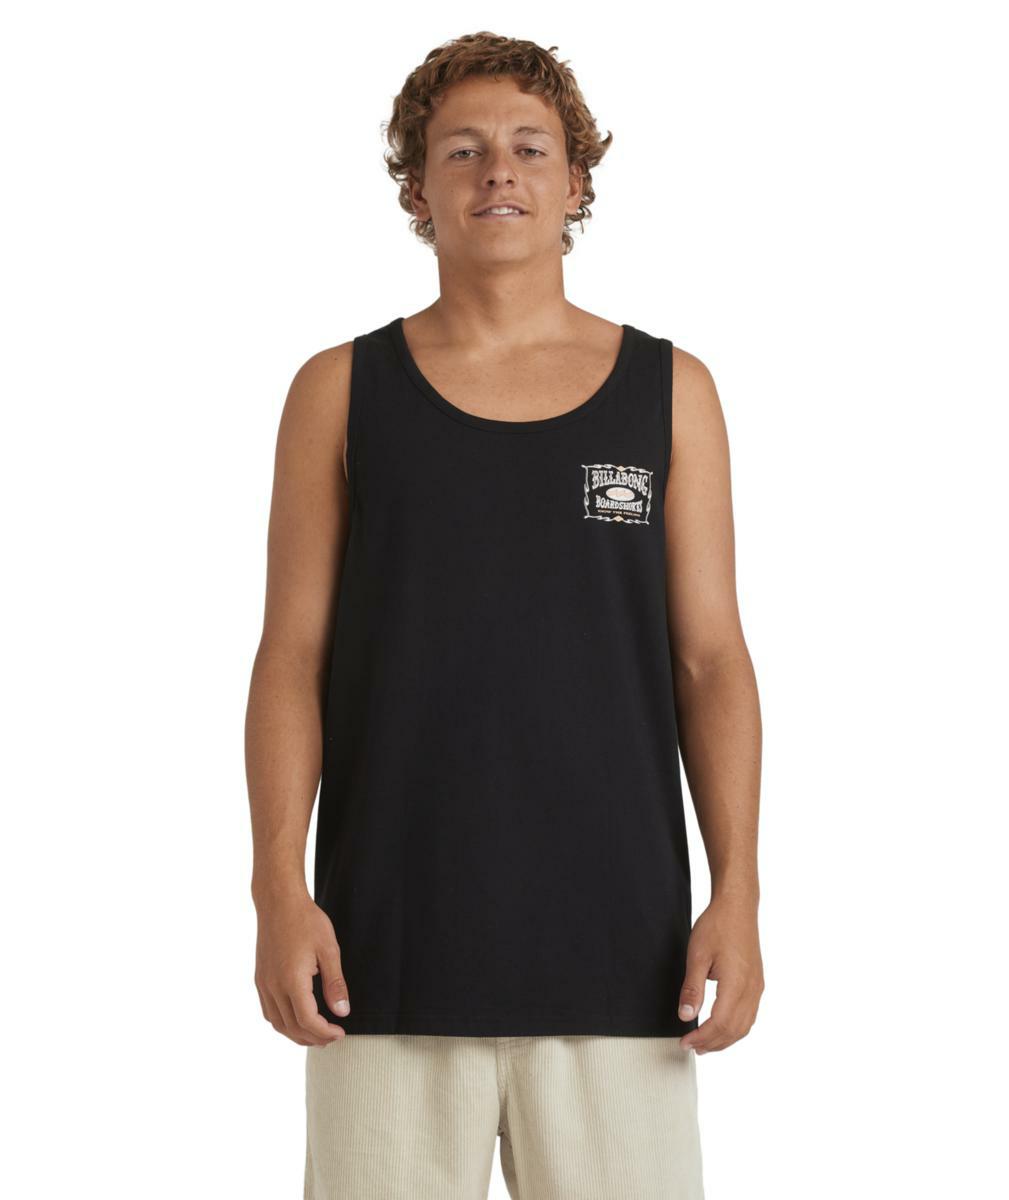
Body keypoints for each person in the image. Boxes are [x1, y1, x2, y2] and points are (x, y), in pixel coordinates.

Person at [245, 31, 764, 1200]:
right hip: (383, 956)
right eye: (462, 150)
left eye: (530, 148)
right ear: (415, 187)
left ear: (575, 181)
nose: (497, 172)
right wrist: (279, 887)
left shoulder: (670, 391)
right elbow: (291, 658)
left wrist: (736, 890)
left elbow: (710, 659)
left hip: (623, 960)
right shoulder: (339, 390)